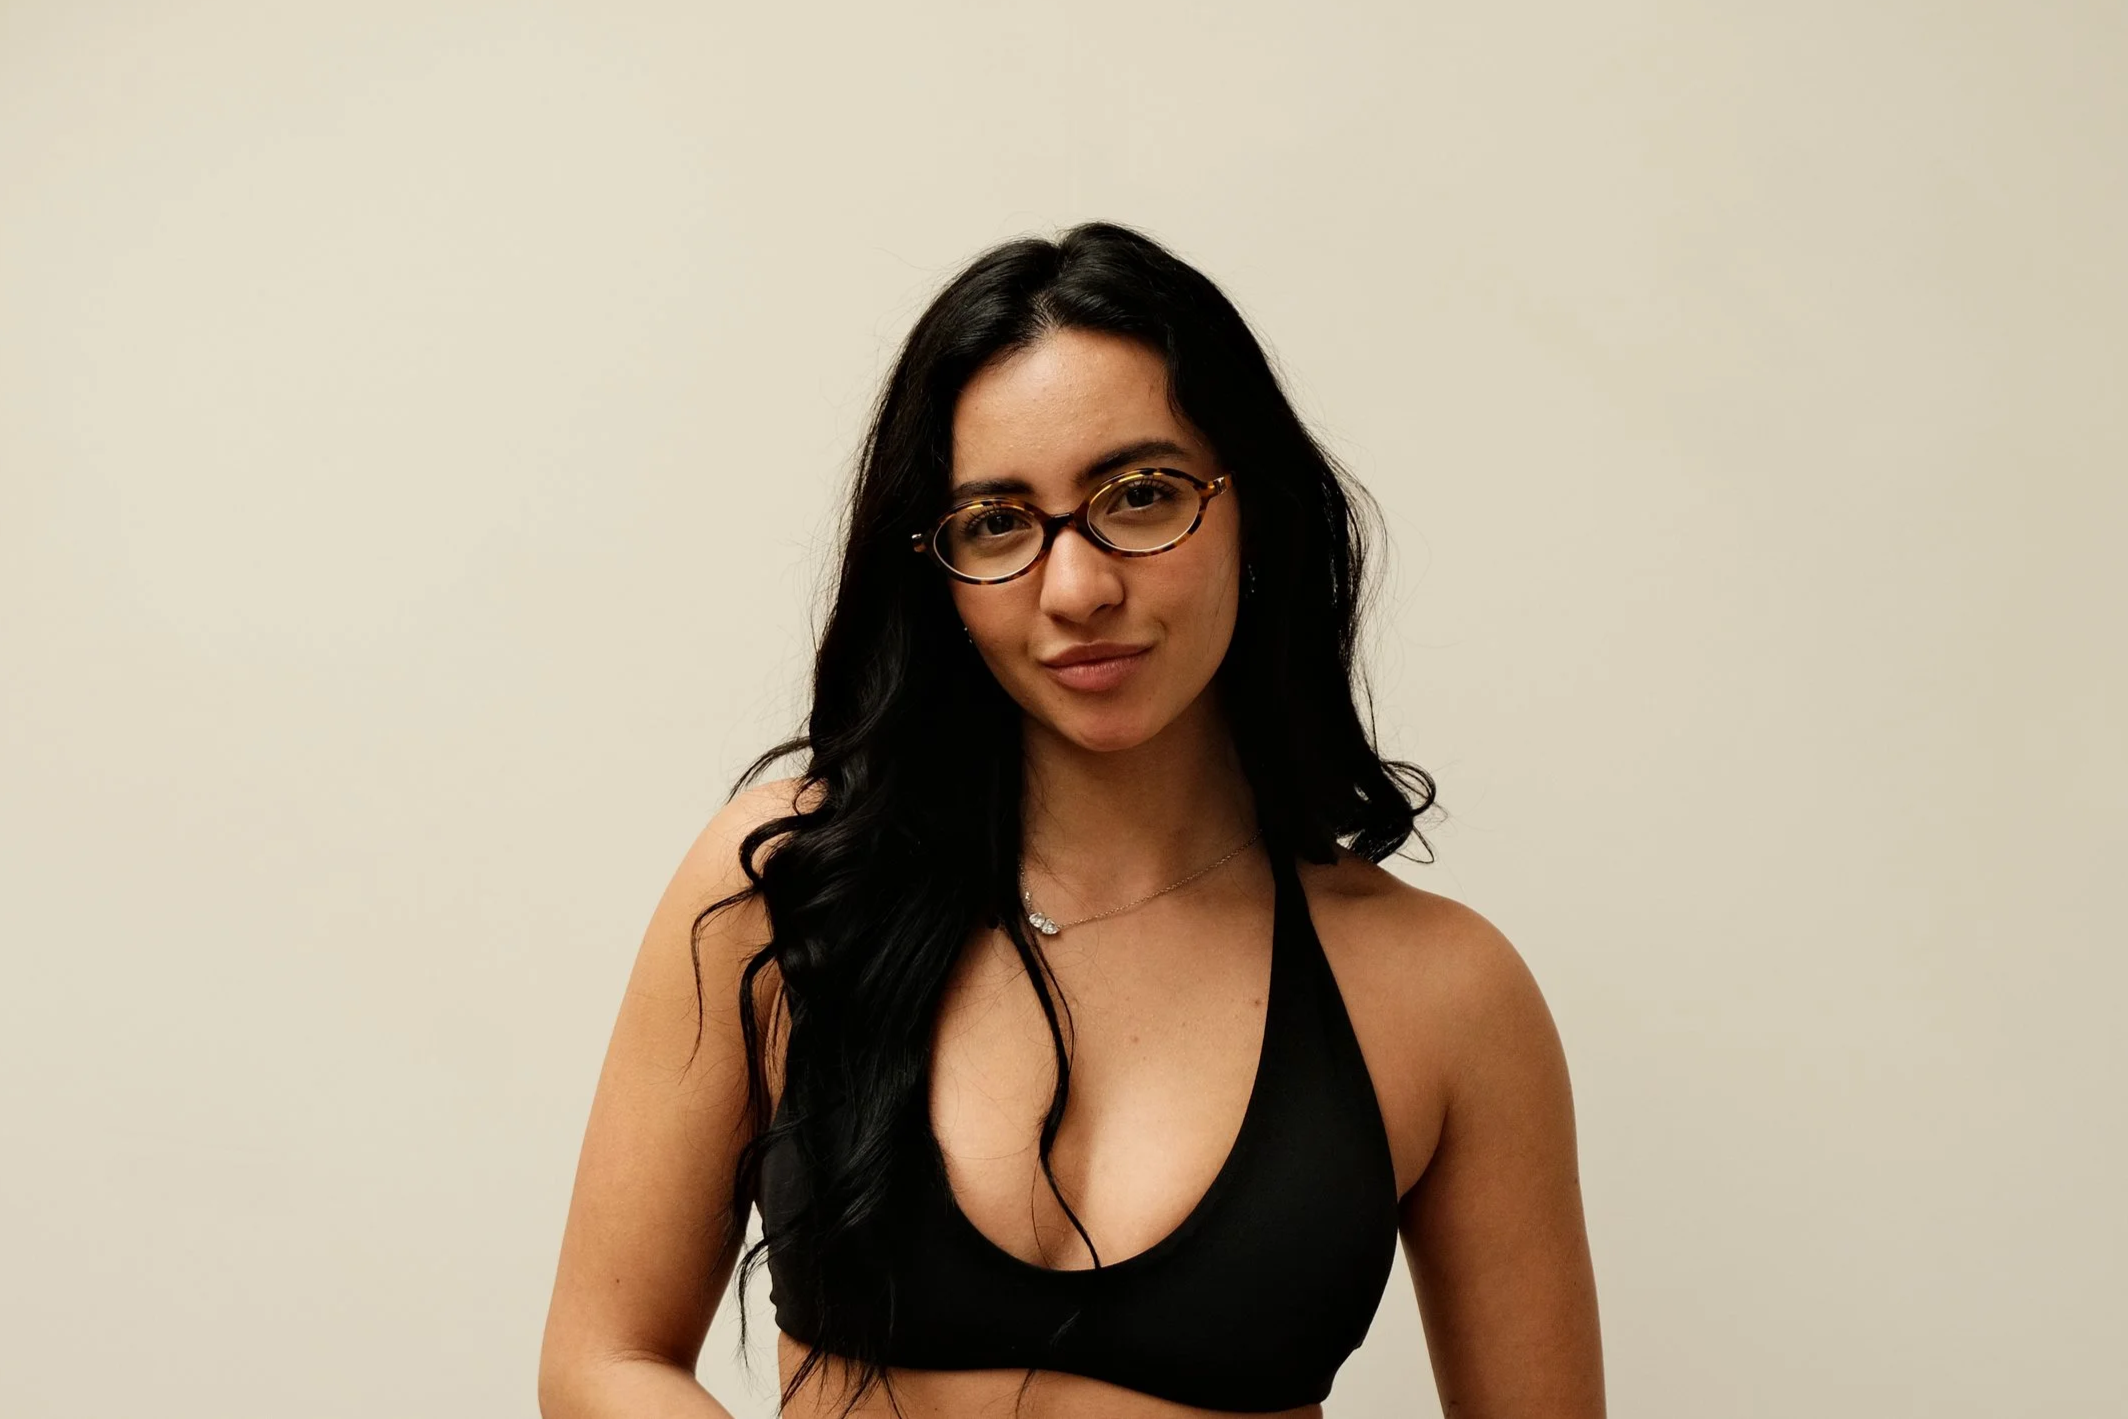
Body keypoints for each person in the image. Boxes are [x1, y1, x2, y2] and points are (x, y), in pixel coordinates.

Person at [538, 222, 1604, 1419]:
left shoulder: (1444, 994)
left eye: (1140, 497)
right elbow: (602, 1360)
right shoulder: (783, 888)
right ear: (937, 570)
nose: (1078, 588)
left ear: (1252, 511)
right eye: (997, 522)